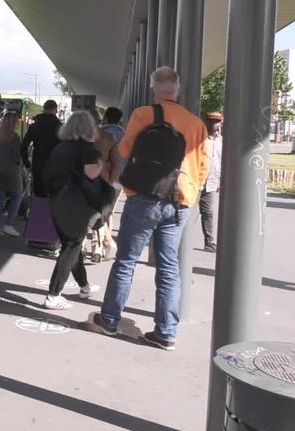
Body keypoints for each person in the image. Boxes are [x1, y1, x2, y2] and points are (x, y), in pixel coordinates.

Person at [93, 66, 209, 351]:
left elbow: (124, 150)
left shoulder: (144, 114)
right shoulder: (196, 124)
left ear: (153, 89)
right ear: (178, 90)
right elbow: (204, 167)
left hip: (144, 197)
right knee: (170, 267)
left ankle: (109, 320)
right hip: (180, 201)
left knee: (126, 261)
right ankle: (166, 332)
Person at [41, 111, 104, 310]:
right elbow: (92, 175)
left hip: (57, 200)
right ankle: (53, 295)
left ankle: (84, 286)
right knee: (73, 246)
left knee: (72, 246)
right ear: (89, 128)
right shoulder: (87, 149)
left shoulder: (60, 147)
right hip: (76, 204)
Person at [88, 110, 121, 262]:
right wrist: (110, 181)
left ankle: (85, 245)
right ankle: (99, 247)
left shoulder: (80, 137)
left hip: (84, 180)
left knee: (86, 214)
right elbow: (116, 163)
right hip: (104, 179)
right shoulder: (110, 137)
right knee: (102, 213)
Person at [0, 112, 24, 237]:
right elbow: (16, 156)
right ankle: (9, 224)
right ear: (14, 123)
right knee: (17, 196)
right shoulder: (14, 137)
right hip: (10, 173)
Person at [21, 100, 62, 198]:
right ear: (56, 110)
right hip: (56, 166)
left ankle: (40, 212)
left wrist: (27, 164)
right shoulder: (61, 127)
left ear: (44, 109)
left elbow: (23, 146)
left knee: (40, 196)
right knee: (55, 197)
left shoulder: (34, 126)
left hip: (38, 165)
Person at [200, 112, 223, 253]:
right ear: (205, 121)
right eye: (210, 120)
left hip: (211, 182)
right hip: (196, 180)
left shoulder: (221, 141)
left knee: (208, 212)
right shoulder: (200, 137)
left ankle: (209, 241)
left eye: (216, 121)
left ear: (220, 123)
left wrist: (220, 181)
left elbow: (221, 162)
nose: (213, 123)